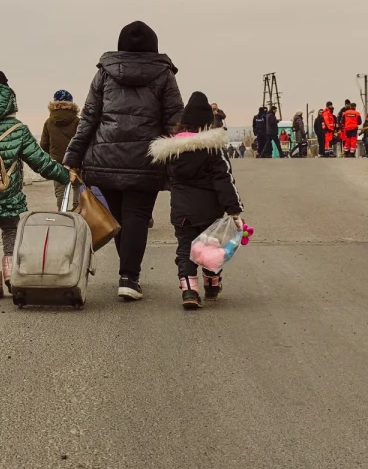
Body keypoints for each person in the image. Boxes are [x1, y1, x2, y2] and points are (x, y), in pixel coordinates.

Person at [64, 21, 183, 302]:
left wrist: (73, 158)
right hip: (146, 159)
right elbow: (174, 121)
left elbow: (89, 118)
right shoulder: (164, 75)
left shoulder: (105, 74)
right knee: (137, 217)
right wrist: (178, 161)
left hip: (105, 158)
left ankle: (127, 274)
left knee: (118, 218)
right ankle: (129, 277)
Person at [0, 71, 74, 300]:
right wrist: (64, 175)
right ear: (8, 96)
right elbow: (40, 161)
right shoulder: (17, 129)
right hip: (8, 192)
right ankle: (10, 274)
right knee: (10, 231)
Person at [149, 92, 244, 310]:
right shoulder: (213, 149)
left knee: (185, 249)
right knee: (210, 246)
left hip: (181, 211)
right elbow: (224, 180)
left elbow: (163, 178)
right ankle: (212, 285)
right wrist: (234, 209)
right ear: (207, 123)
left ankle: (189, 291)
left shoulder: (170, 151)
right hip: (209, 210)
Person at [39, 89, 81, 208]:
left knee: (60, 190)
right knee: (77, 187)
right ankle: (77, 214)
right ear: (71, 103)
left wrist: (53, 154)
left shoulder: (49, 122)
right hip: (75, 161)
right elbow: (83, 142)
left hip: (57, 161)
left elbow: (43, 143)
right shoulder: (78, 121)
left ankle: (62, 214)